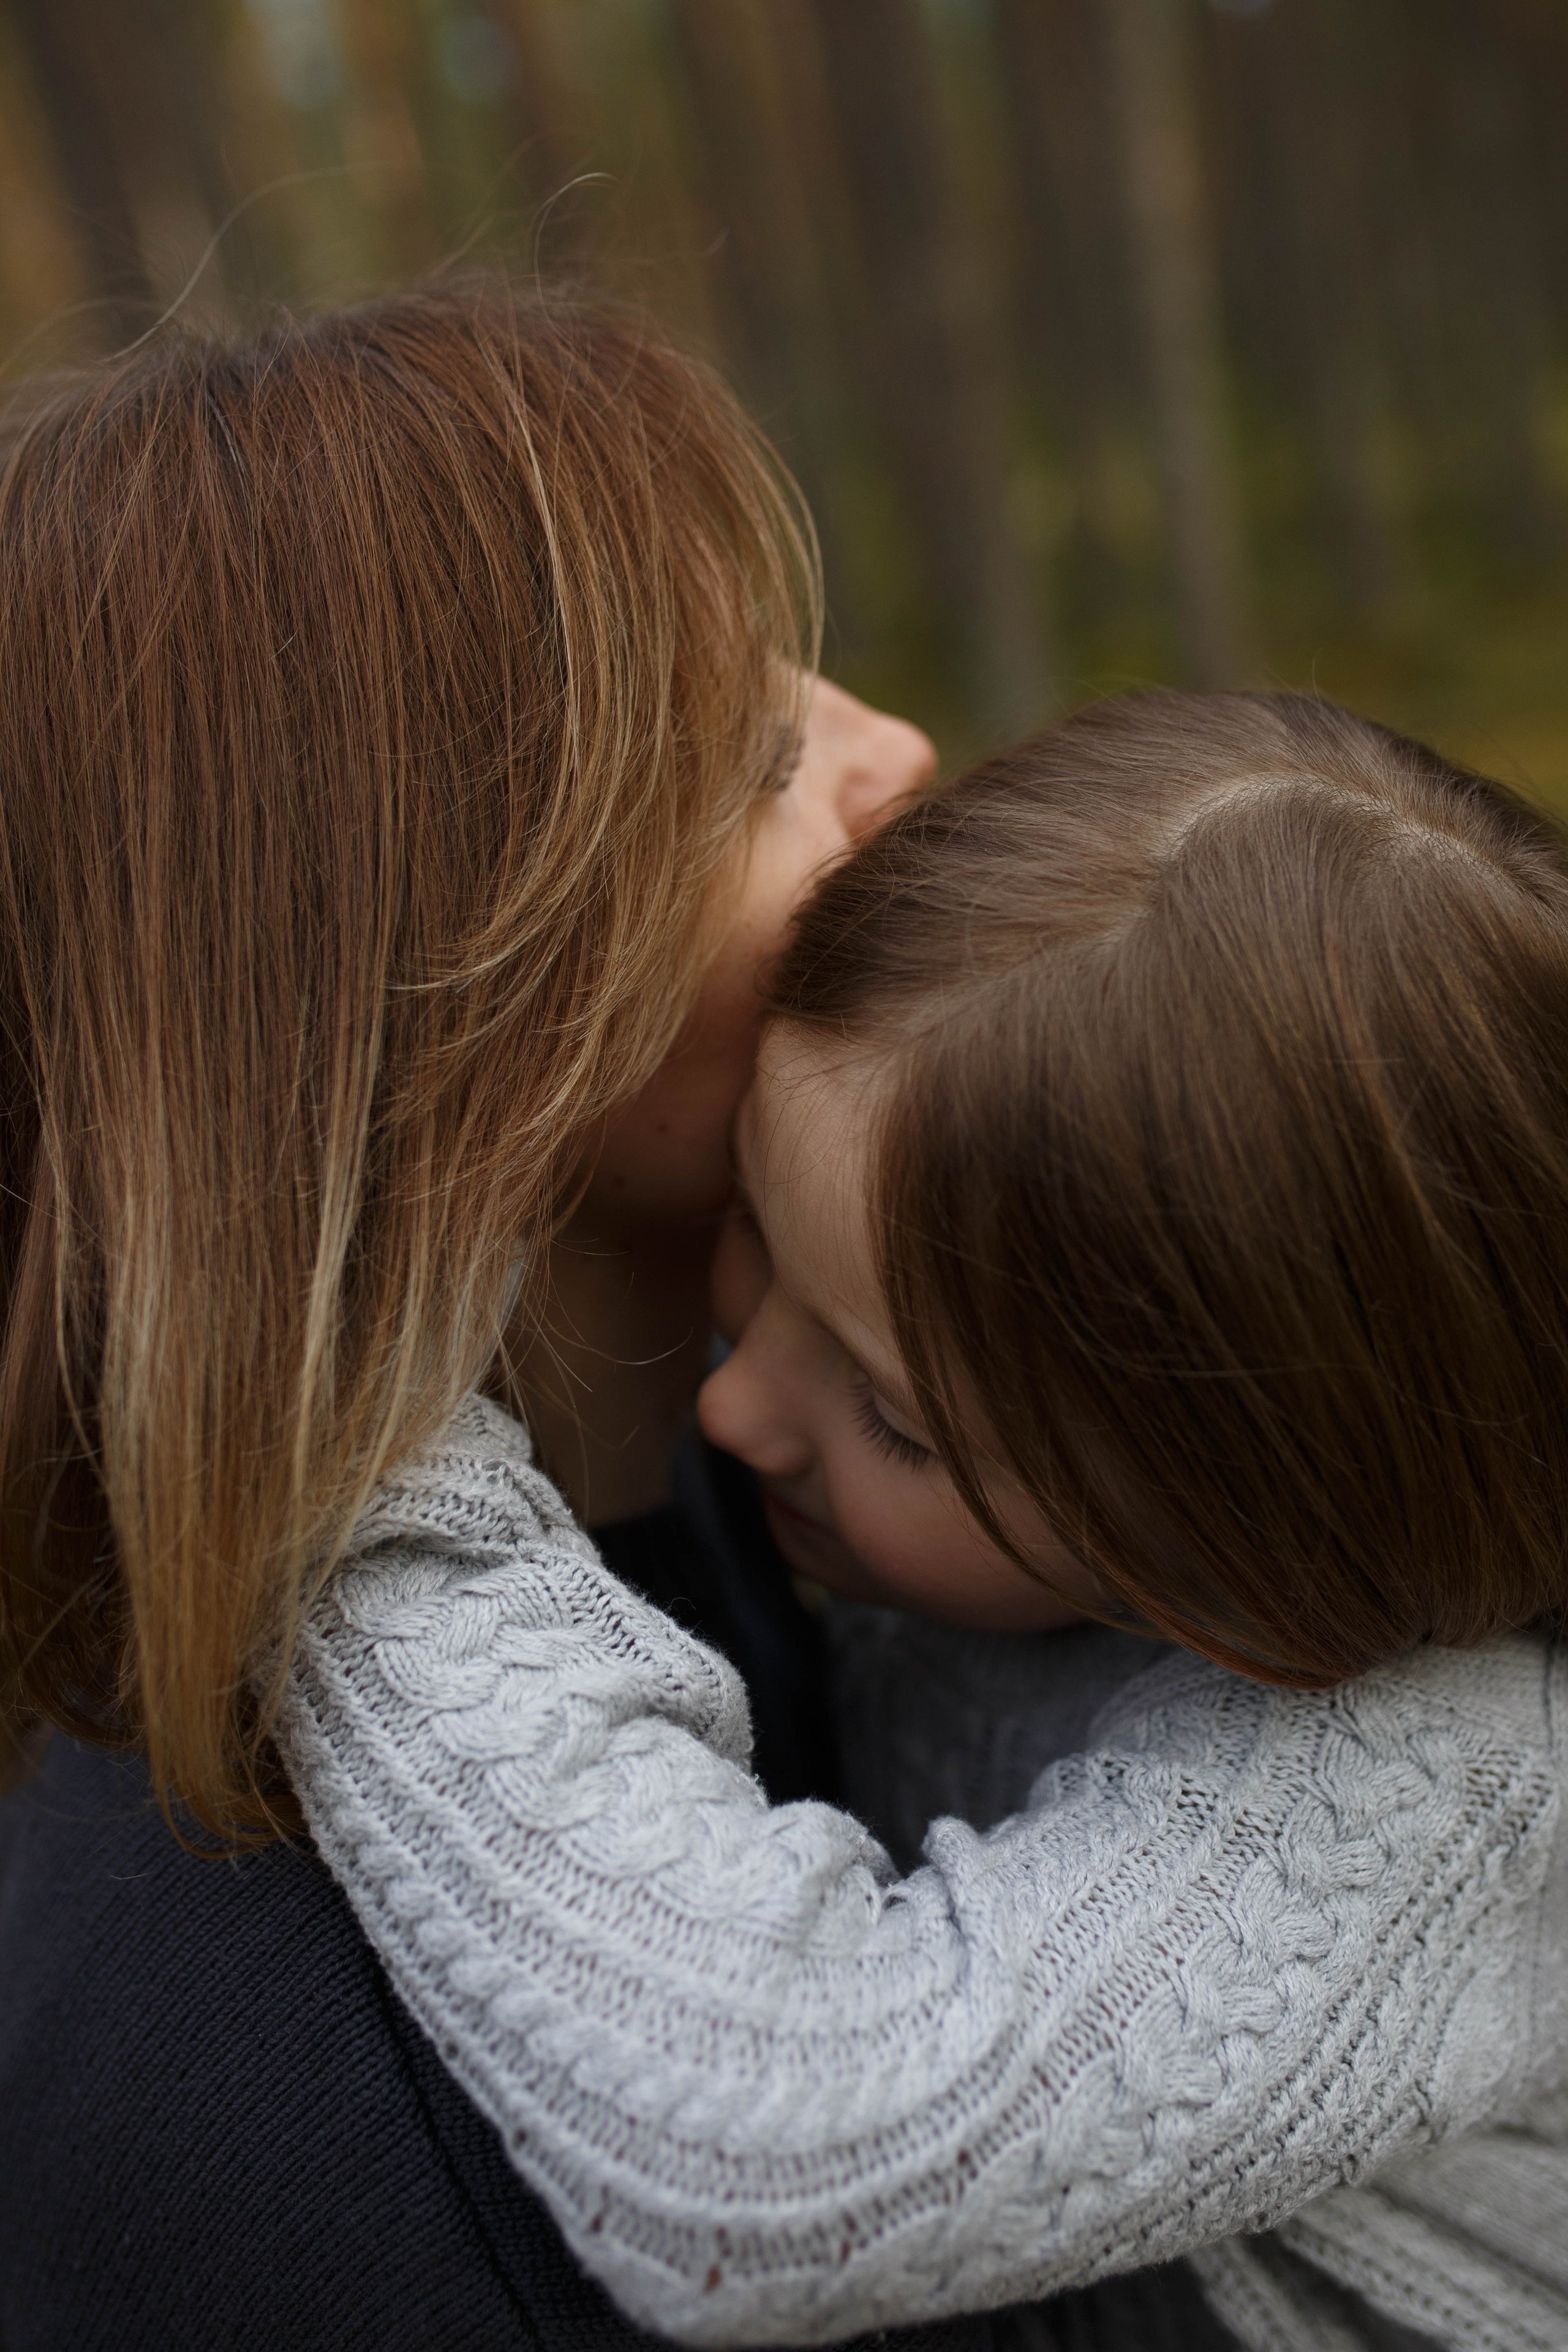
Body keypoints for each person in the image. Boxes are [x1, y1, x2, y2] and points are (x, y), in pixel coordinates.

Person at [282, 693, 1568, 2352]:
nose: (741, 1407)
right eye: (753, 1222)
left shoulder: (1431, 1797)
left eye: (892, 1419)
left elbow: (773, 2154)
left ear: (1249, 1560)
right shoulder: (974, 1443)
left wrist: (374, 1485)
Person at [0, 284, 948, 2349]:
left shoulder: (773, 1471)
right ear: (445, 1013)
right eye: (754, 759)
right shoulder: (302, 2115)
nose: (902, 756)